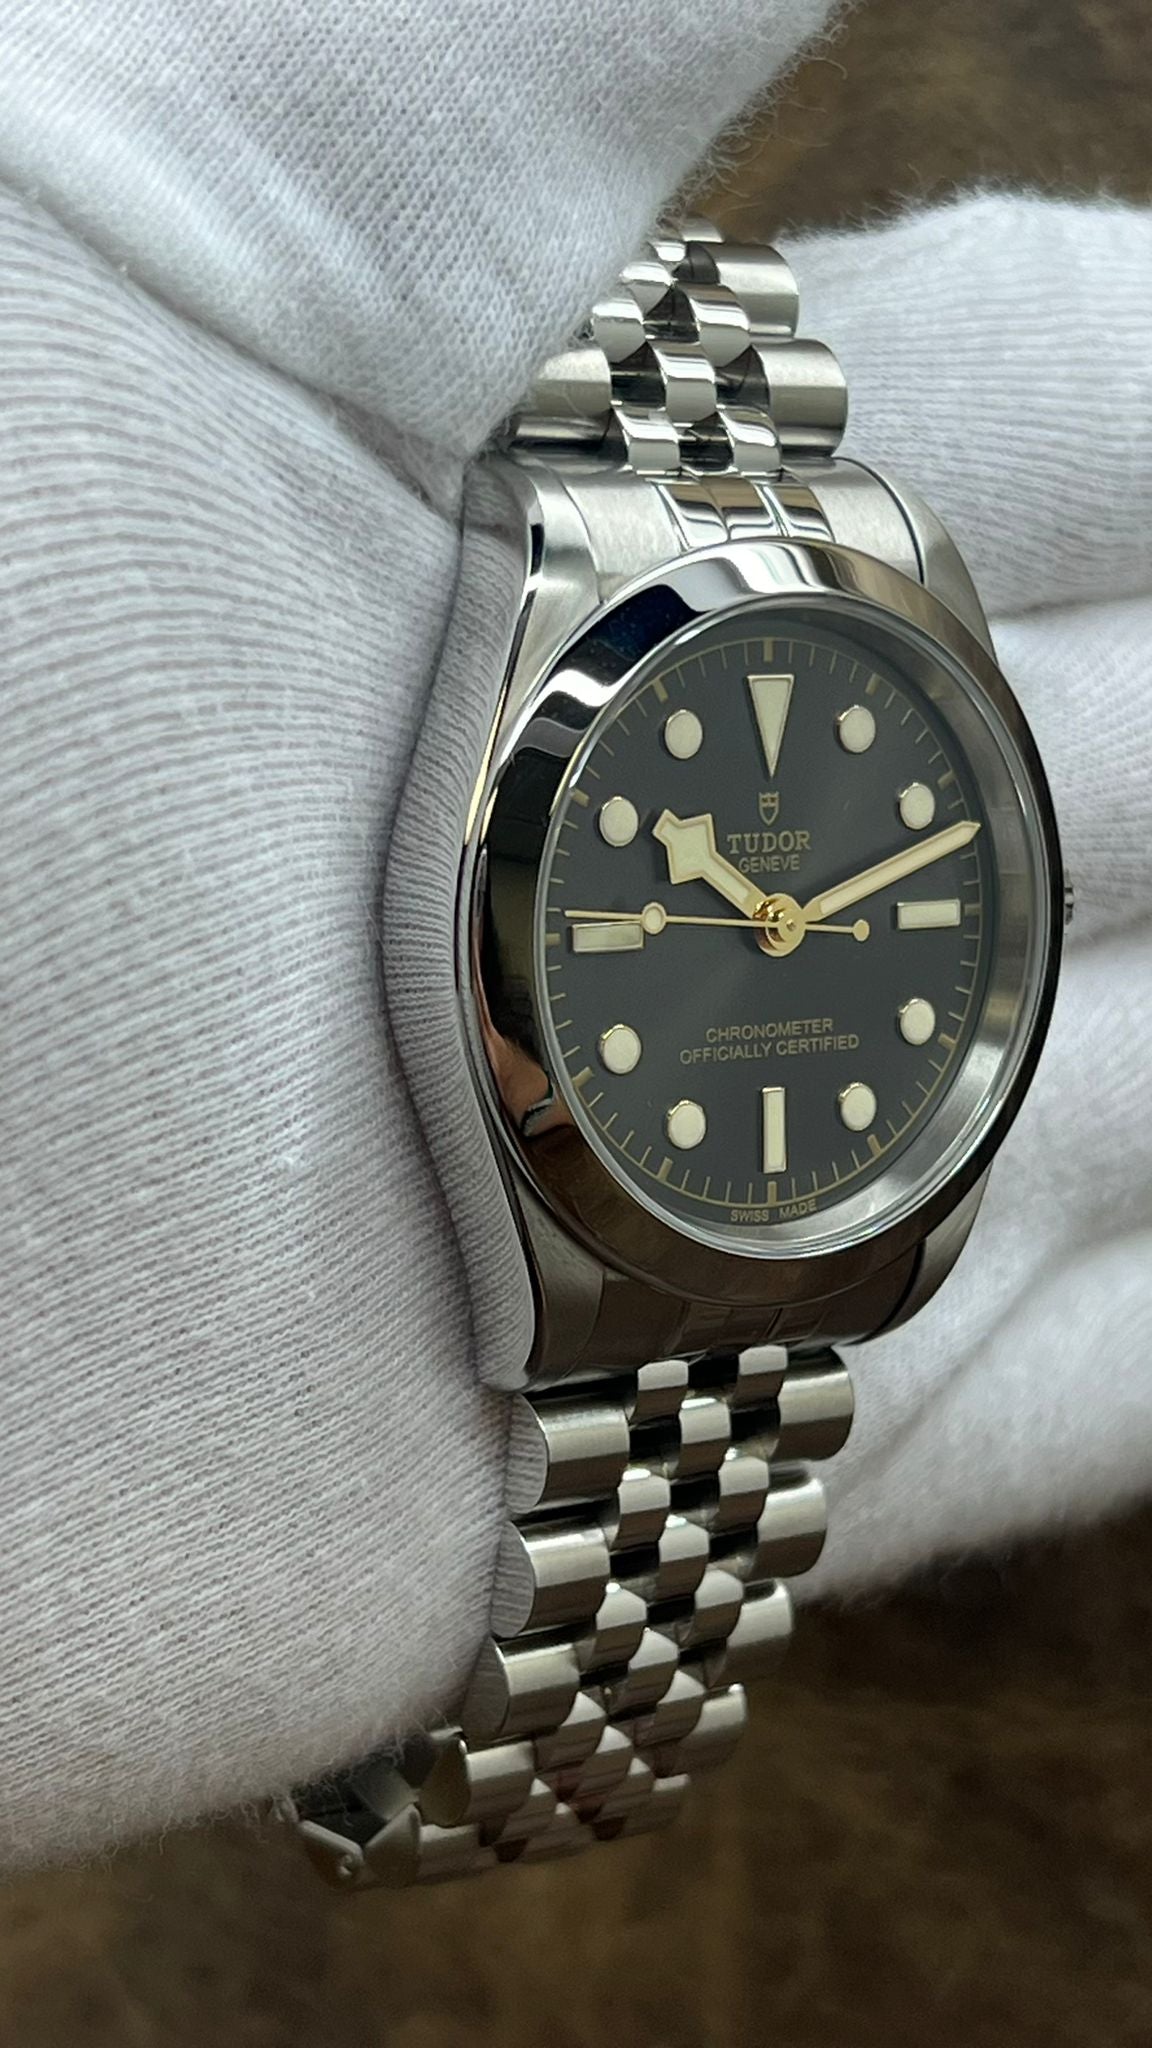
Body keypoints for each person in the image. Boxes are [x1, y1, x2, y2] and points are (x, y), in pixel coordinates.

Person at [1, 0, 1149, 1874]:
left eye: (797, 912)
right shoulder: (530, 613)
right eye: (768, 910)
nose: (781, 920)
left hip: (770, 1180)